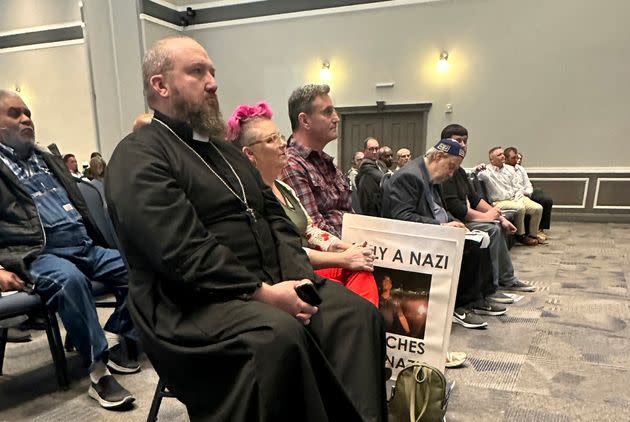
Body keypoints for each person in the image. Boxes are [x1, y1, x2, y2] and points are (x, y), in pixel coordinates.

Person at [105, 36, 386, 421]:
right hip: (188, 304)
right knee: (278, 338)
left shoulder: (228, 153)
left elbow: (279, 223)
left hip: (268, 283)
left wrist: (298, 282)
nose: (213, 82)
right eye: (197, 71)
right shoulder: (137, 155)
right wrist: (262, 294)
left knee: (355, 316)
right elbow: (180, 249)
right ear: (160, 85)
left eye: (213, 72)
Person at [0, 89, 137, 409]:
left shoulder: (46, 157)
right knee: (70, 280)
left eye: (28, 112)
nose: (26, 119)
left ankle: (115, 333)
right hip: (37, 253)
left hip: (83, 245)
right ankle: (99, 372)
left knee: (140, 268)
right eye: (15, 113)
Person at [227, 101, 379, 306]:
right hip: (290, 274)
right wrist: (344, 258)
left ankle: (367, 325)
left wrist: (349, 247)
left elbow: (312, 231)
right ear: (249, 154)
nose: (282, 143)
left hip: (309, 264)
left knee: (363, 268)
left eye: (280, 136)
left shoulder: (283, 188)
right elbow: (290, 250)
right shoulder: (250, 198)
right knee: (356, 276)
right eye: (272, 140)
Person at [382, 139, 506, 329]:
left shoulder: (431, 176)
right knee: (470, 247)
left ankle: (478, 298)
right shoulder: (409, 176)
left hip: (432, 230)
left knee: (481, 239)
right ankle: (459, 306)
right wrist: (441, 226)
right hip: (414, 239)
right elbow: (402, 218)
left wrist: (453, 222)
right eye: (450, 167)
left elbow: (438, 209)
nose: (450, 174)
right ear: (438, 156)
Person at [440, 124, 535, 295]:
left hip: (464, 217)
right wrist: (488, 218)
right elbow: (456, 208)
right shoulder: (445, 171)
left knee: (497, 225)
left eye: (465, 141)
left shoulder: (460, 171)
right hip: (452, 221)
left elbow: (476, 200)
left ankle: (507, 279)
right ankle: (491, 287)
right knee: (491, 229)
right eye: (457, 141)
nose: (462, 145)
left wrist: (500, 217)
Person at [280, 84, 350, 237]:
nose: (336, 118)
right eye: (328, 112)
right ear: (305, 120)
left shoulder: (325, 161)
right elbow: (315, 232)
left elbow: (350, 215)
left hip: (351, 249)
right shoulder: (291, 164)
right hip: (333, 256)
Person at [477, 147, 543, 246]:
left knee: (537, 208)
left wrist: (520, 197)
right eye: (499, 155)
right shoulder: (486, 171)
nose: (502, 156)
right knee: (520, 208)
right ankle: (520, 236)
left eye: (503, 154)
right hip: (499, 202)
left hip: (516, 197)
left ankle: (533, 235)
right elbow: (475, 175)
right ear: (492, 159)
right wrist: (477, 168)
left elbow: (517, 187)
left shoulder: (510, 169)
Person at [504, 147, 553, 240]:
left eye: (517, 158)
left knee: (545, 200)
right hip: (514, 195)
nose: (517, 160)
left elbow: (528, 185)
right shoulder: (504, 170)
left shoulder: (521, 169)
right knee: (521, 206)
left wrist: (528, 193)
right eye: (513, 158)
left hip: (525, 193)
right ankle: (522, 236)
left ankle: (537, 232)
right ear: (506, 159)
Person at [356, 137, 389, 217]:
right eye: (371, 149)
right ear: (364, 151)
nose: (374, 152)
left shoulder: (380, 164)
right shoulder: (365, 166)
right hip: (372, 211)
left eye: (376, 149)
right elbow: (384, 178)